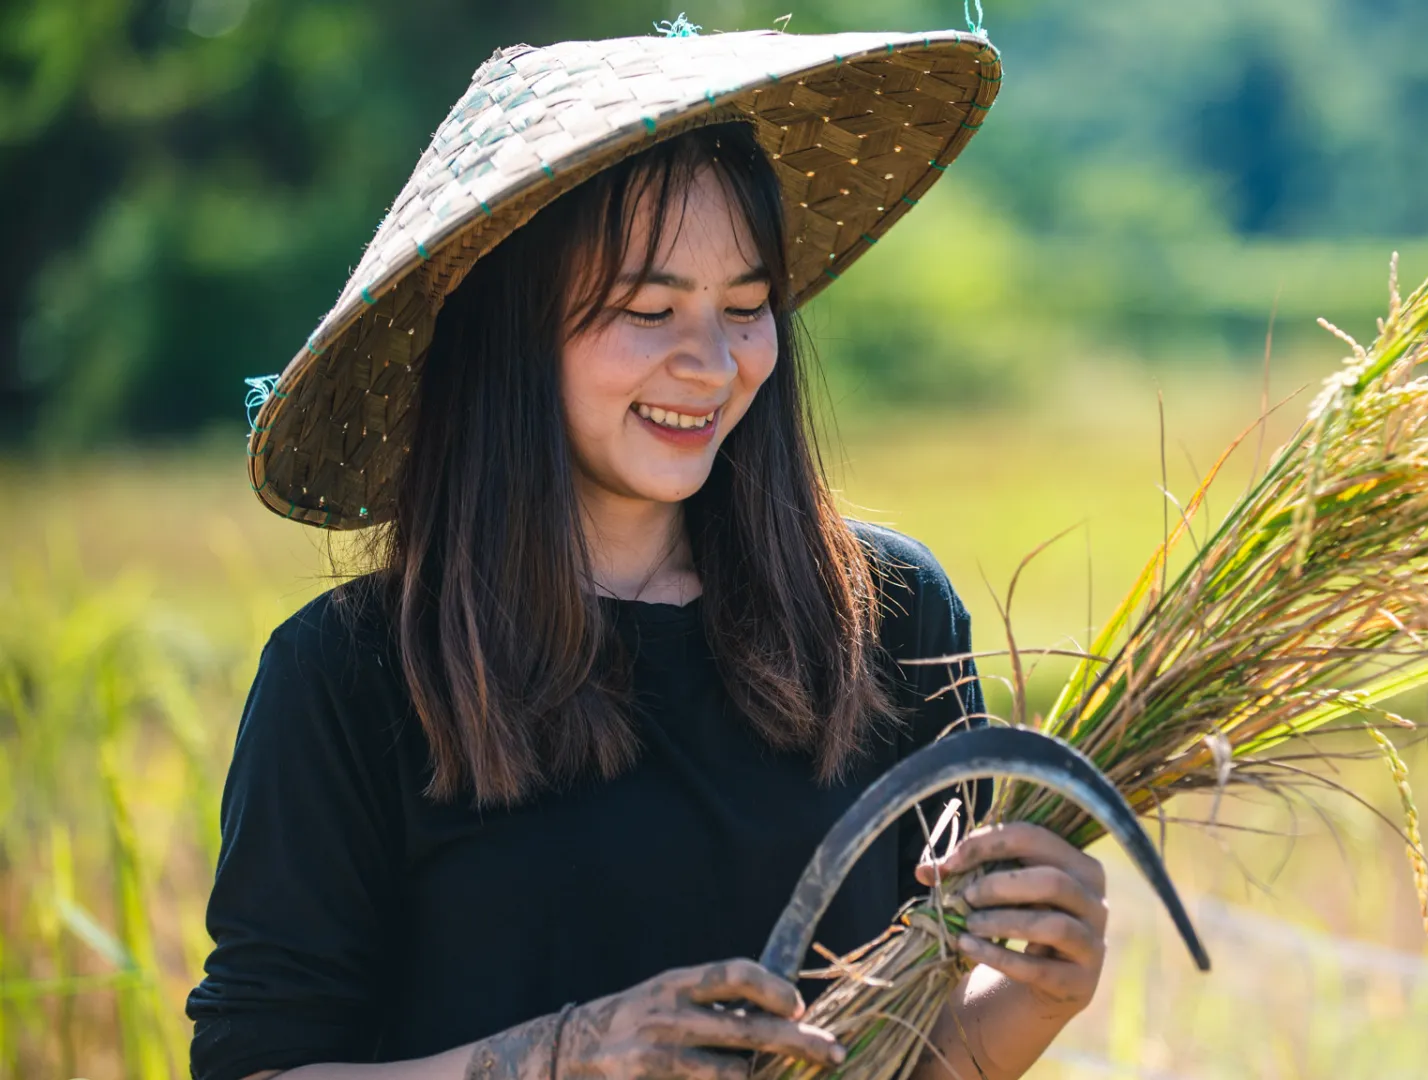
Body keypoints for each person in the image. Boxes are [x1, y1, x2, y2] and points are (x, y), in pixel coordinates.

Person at [187, 24, 1109, 1080]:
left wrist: (1034, 996)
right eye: (649, 309)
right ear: (511, 332)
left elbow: (912, 1056)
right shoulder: (349, 677)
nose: (711, 364)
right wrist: (565, 1055)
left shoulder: (888, 617)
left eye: (747, 308)